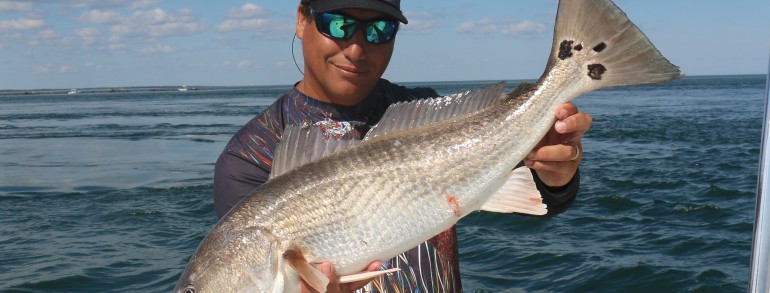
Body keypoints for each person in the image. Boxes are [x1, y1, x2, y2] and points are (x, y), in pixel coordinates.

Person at [213, 0, 593, 292]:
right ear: (302, 19)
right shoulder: (247, 157)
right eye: (339, 24)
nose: (357, 48)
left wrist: (557, 176)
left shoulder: (423, 109)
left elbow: (536, 197)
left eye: (379, 29)